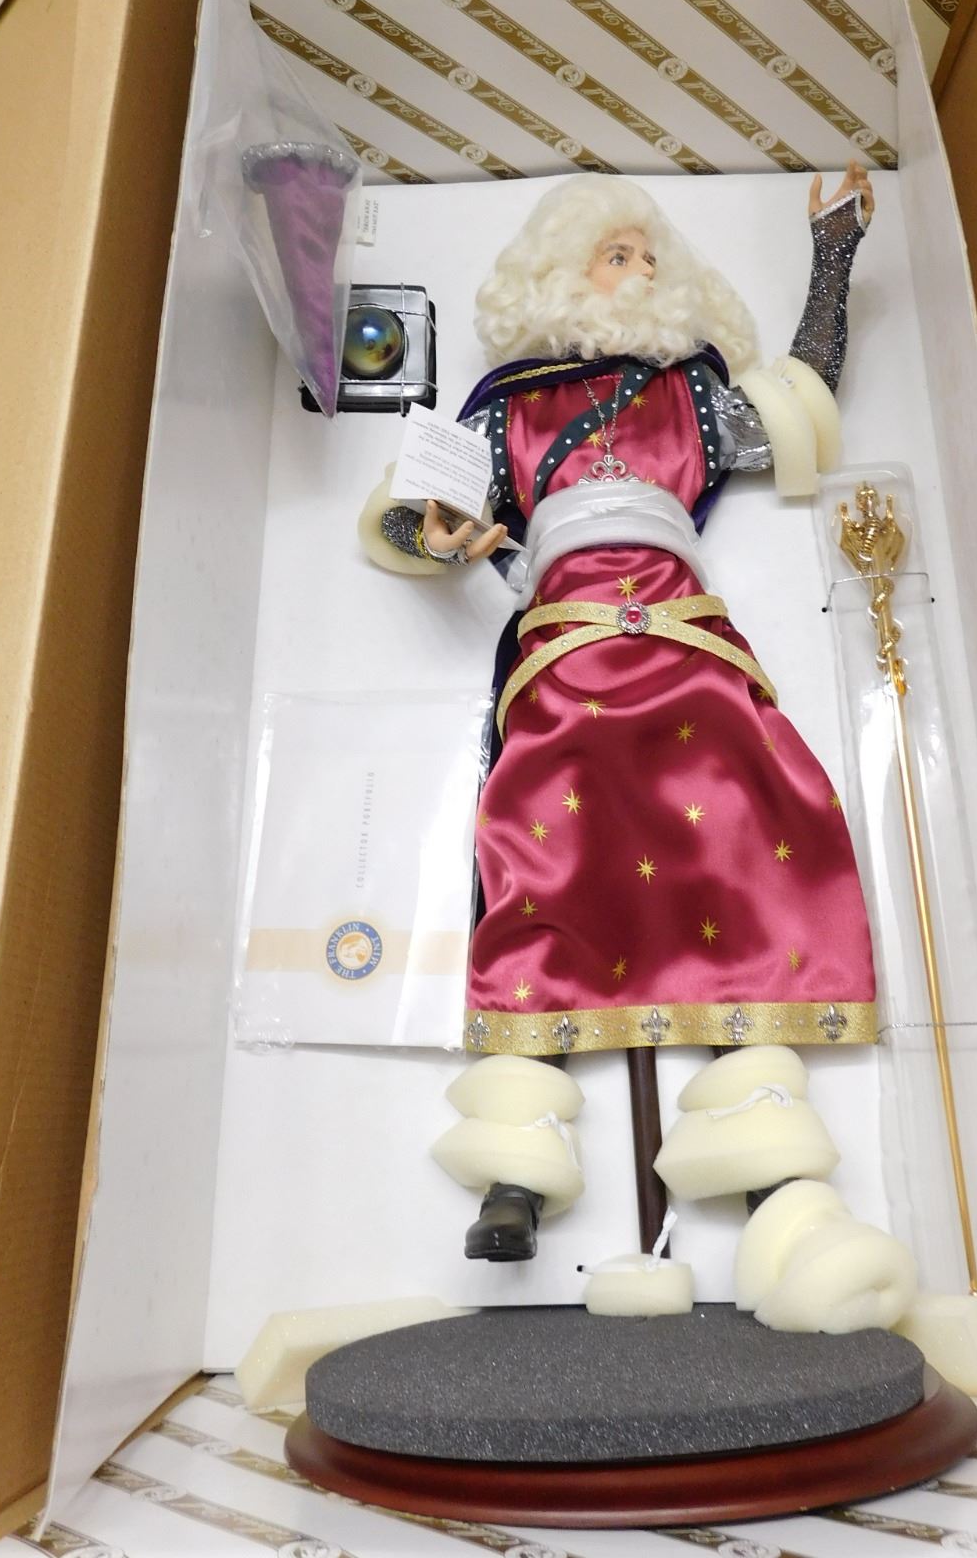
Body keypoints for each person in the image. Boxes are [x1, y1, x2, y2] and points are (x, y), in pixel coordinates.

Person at [360, 167, 877, 1261]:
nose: (638, 271)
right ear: (563, 272)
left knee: (742, 844)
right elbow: (413, 520)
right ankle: (517, 1165)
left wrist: (834, 250)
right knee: (540, 863)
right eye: (617, 254)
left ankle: (768, 1153)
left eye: (648, 256)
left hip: (687, 645)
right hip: (564, 653)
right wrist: (442, 535)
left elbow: (803, 392)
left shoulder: (691, 398)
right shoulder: (504, 409)